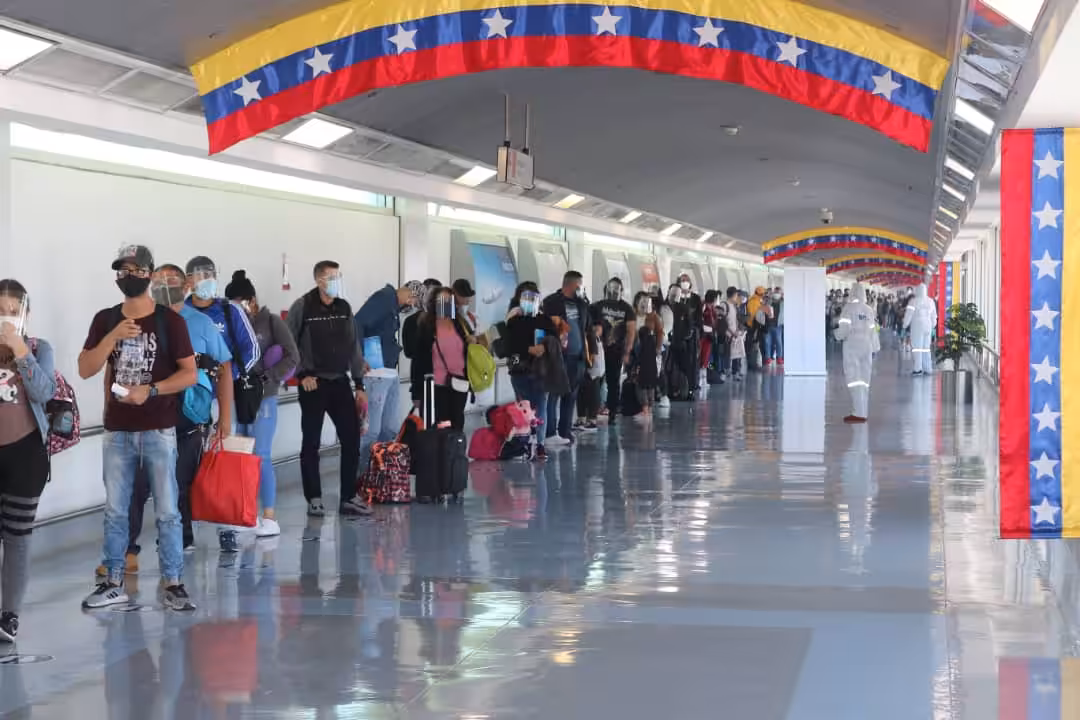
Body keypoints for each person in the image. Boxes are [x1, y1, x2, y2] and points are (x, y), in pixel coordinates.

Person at [78, 245, 197, 611]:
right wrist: (112, 336)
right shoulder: (105, 319)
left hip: (159, 429)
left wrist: (153, 389)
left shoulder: (169, 322)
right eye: (121, 270)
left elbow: (189, 373)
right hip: (118, 431)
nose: (126, 276)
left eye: (133, 269)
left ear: (148, 273)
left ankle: (174, 582)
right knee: (115, 509)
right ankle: (113, 580)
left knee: (167, 509)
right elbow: (86, 367)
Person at [122, 264, 232, 573]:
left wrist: (225, 418)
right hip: (148, 416)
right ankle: (128, 548)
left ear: (185, 285)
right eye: (158, 280)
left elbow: (224, 369)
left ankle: (177, 543)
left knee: (179, 483)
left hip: (189, 416)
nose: (164, 284)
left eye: (171, 280)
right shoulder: (140, 320)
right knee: (139, 484)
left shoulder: (202, 324)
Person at [184, 256, 261, 551]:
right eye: (199, 275)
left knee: (224, 459)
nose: (206, 280)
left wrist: (227, 377)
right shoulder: (181, 312)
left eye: (210, 274)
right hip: (189, 399)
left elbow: (251, 349)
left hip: (221, 398)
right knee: (187, 462)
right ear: (188, 281)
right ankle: (185, 528)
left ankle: (227, 527)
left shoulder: (229, 311)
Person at [287, 260, 371, 518]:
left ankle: (348, 497)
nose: (336, 281)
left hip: (339, 382)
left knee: (352, 438)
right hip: (313, 383)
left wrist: (359, 385)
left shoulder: (344, 307)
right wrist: (301, 376)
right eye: (331, 277)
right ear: (318, 280)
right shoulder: (302, 307)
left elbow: (354, 347)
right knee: (311, 442)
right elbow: (287, 345)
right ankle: (314, 497)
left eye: (338, 276)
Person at [0, 281, 56, 639]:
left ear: (25, 314)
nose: (5, 316)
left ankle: (9, 615)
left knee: (18, 537)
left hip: (25, 454)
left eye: (12, 309)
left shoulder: (38, 348)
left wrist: (19, 349)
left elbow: (44, 392)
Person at [225, 270, 300, 537]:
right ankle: (245, 512)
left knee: (261, 455)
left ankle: (269, 514)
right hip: (236, 395)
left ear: (252, 300)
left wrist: (268, 377)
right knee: (239, 455)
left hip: (264, 396)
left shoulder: (270, 322)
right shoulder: (230, 325)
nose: (239, 309)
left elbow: (293, 356)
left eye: (241, 303)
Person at [354, 280, 421, 474]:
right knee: (371, 430)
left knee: (390, 428)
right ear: (410, 294)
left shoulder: (392, 305)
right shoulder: (383, 299)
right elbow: (358, 322)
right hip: (375, 373)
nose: (412, 305)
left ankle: (380, 472)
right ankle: (361, 476)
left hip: (390, 372)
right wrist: (359, 357)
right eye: (414, 301)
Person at [506, 283, 555, 459]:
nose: (529, 302)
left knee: (539, 406)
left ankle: (538, 443)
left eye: (532, 298)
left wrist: (543, 346)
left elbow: (554, 339)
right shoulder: (513, 320)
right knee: (526, 407)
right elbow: (509, 345)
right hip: (521, 369)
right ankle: (528, 441)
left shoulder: (543, 319)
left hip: (540, 370)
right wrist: (529, 349)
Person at [541, 271, 590, 444]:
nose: (581, 289)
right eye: (579, 285)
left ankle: (565, 431)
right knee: (554, 394)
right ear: (570, 285)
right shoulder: (551, 303)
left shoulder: (582, 305)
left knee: (571, 396)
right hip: (558, 357)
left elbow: (586, 329)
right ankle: (550, 432)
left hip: (577, 357)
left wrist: (589, 355)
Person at [591, 278, 635, 425]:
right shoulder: (598, 306)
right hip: (598, 349)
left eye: (618, 288)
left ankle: (612, 411)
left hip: (616, 350)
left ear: (621, 290)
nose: (615, 291)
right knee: (594, 380)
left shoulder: (627, 309)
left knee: (613, 382)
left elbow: (631, 331)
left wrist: (627, 351)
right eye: (612, 288)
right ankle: (594, 410)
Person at [835, 283, 879, 423]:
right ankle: (862, 412)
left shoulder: (848, 309)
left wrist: (836, 335)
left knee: (854, 379)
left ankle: (858, 413)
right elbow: (873, 330)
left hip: (852, 346)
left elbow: (843, 330)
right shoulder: (869, 310)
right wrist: (875, 348)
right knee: (865, 380)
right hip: (866, 346)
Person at [431, 287, 471, 430]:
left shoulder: (459, 323)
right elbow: (419, 357)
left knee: (458, 420)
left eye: (449, 300)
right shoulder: (429, 325)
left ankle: (456, 450)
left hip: (460, 381)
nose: (445, 304)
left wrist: (472, 341)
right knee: (443, 423)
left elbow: (467, 347)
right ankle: (444, 450)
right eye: (441, 300)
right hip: (439, 384)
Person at [403, 279, 442, 409]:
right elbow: (409, 352)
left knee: (445, 421)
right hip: (421, 379)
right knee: (426, 420)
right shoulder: (411, 321)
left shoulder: (446, 320)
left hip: (446, 381)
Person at [903, 283, 937, 375]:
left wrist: (905, 325)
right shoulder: (930, 301)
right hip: (928, 326)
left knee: (917, 348)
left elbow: (909, 314)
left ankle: (918, 369)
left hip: (917, 326)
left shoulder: (913, 301)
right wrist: (933, 325)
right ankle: (928, 368)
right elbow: (934, 316)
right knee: (926, 348)